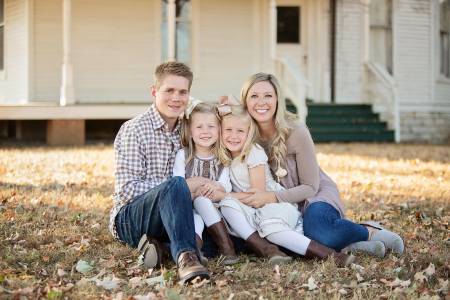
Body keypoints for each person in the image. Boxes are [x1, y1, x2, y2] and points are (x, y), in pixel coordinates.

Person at [236, 72, 404, 258]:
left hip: (312, 197)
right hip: (279, 208)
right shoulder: (242, 134)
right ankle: (353, 246)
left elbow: (310, 186)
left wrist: (271, 197)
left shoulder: (296, 131)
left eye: (268, 95)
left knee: (317, 231)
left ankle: (367, 231)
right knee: (275, 237)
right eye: (254, 96)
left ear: (277, 100)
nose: (261, 102)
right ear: (245, 102)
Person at [217, 104, 355, 266]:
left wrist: (223, 195)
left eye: (240, 131)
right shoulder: (225, 155)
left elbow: (257, 195)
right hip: (254, 210)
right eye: (228, 130)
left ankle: (331, 255)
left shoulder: (252, 153)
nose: (233, 136)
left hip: (272, 205)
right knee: (227, 206)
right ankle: (263, 246)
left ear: (249, 133)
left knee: (273, 230)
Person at [110, 62, 210, 284]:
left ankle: (162, 248)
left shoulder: (188, 128)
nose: (176, 98)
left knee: (215, 235)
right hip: (130, 218)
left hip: (173, 216)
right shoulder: (134, 129)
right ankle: (186, 258)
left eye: (183, 92)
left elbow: (210, 120)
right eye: (169, 90)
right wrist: (182, 186)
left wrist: (224, 110)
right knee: (176, 184)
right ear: (154, 92)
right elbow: (126, 191)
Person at [172, 101, 239, 265]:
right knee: (196, 219)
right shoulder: (184, 155)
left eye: (211, 126)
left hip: (214, 209)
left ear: (219, 130)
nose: (205, 131)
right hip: (188, 208)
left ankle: (227, 248)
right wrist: (198, 191)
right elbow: (178, 183)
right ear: (190, 130)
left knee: (203, 203)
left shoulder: (222, 157)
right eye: (199, 127)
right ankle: (196, 253)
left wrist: (216, 186)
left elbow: (226, 185)